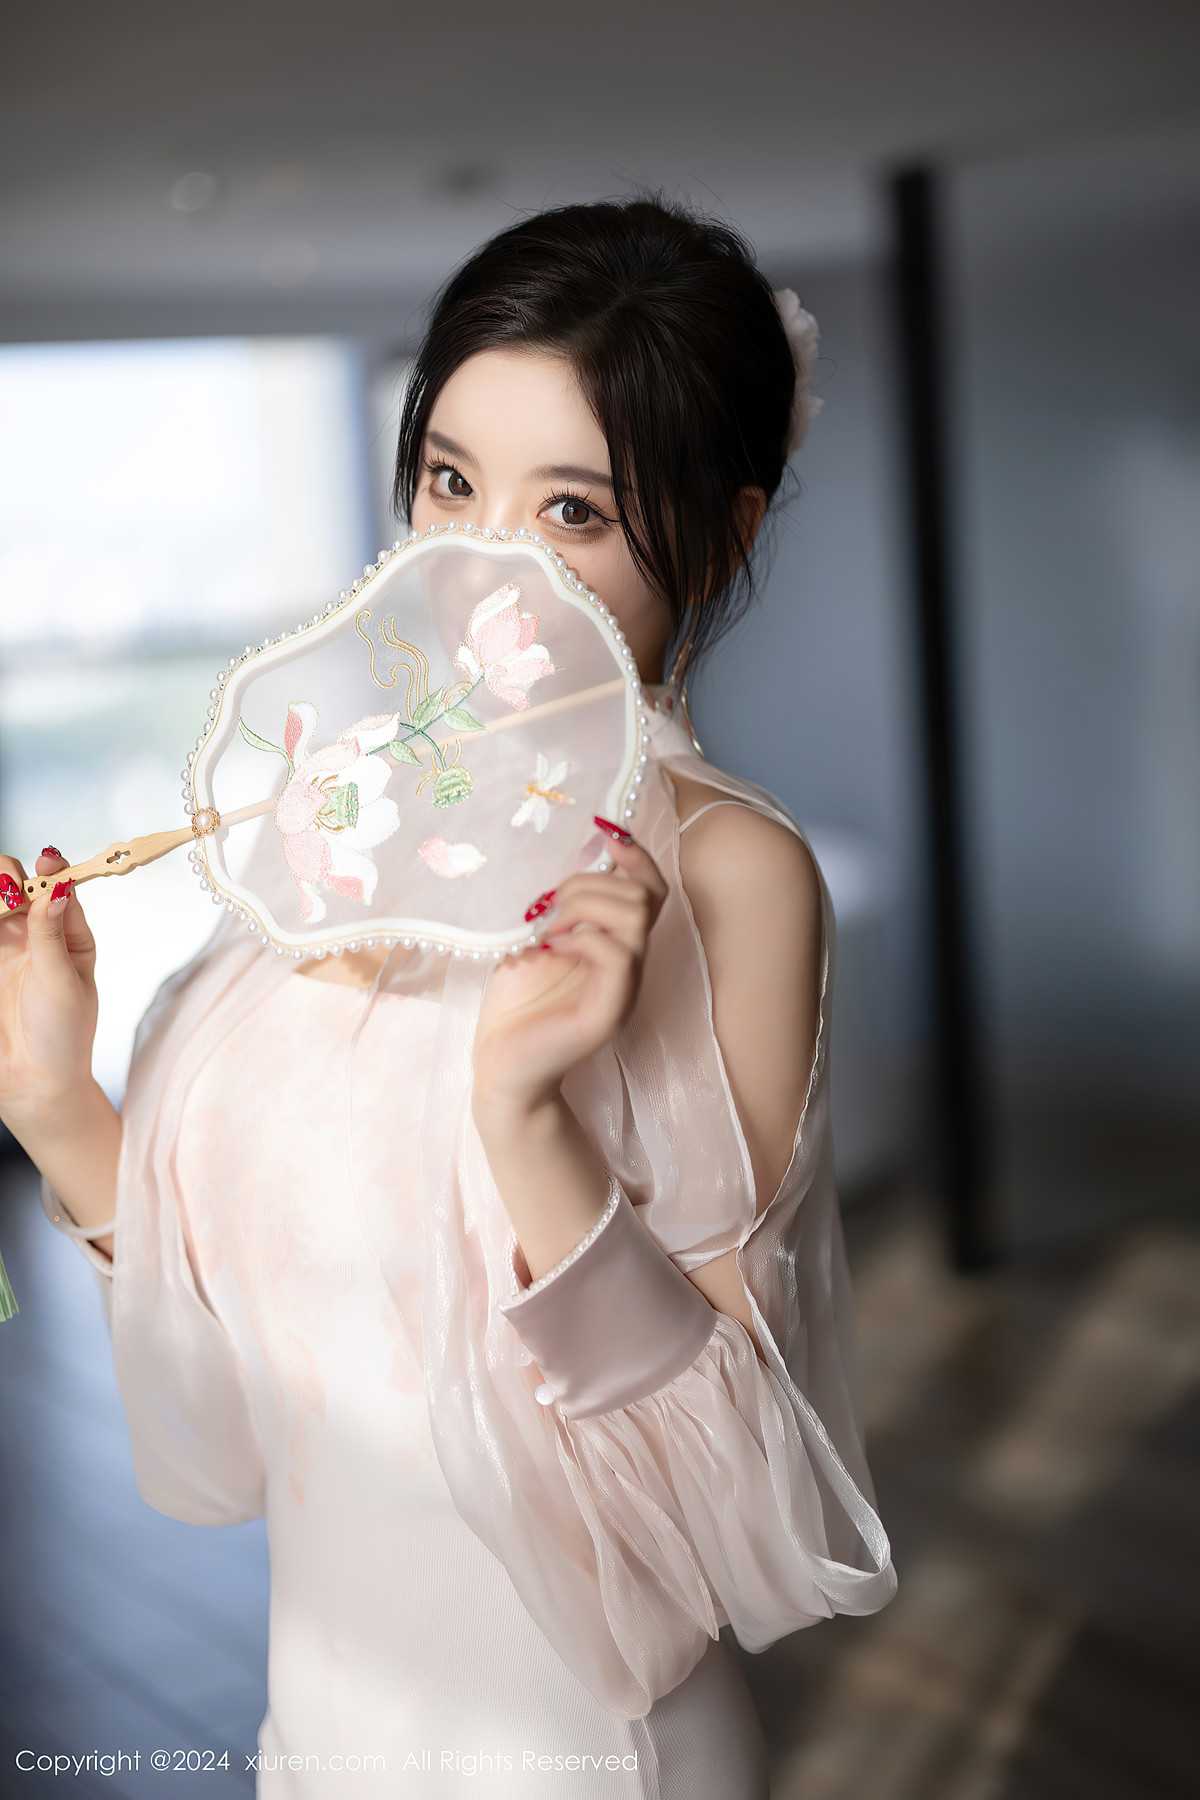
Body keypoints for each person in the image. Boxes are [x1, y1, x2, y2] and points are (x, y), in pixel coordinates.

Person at [0, 190, 898, 1798]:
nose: (486, 566)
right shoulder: (340, 821)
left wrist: (521, 1115)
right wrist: (58, 1102)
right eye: (451, 480)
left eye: (574, 511)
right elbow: (252, 1384)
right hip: (317, 1737)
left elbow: (737, 1497)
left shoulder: (729, 874)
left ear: (725, 533)